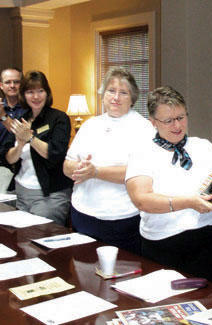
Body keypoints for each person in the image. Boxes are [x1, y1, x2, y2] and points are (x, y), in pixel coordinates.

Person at [126, 86, 212, 286]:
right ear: (153, 122)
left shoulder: (204, 146)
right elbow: (142, 199)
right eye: (168, 120)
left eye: (181, 117)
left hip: (209, 238)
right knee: (168, 305)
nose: (177, 126)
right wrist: (188, 202)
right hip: (165, 242)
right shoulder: (142, 153)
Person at [63, 68, 154, 254]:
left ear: (132, 98)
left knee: (123, 277)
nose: (116, 97)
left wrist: (95, 172)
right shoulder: (90, 125)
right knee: (85, 275)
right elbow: (66, 165)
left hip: (123, 219)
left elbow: (139, 174)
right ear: (103, 95)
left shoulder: (143, 128)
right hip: (83, 215)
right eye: (111, 91)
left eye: (123, 93)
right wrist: (80, 168)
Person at [0, 71, 72, 226]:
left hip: (50, 194)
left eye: (40, 91)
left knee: (40, 237)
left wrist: (30, 138)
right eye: (30, 92)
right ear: (24, 95)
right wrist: (19, 144)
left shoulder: (59, 118)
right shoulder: (21, 119)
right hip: (21, 191)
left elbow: (55, 153)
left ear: (47, 93)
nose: (36, 97)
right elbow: (8, 157)